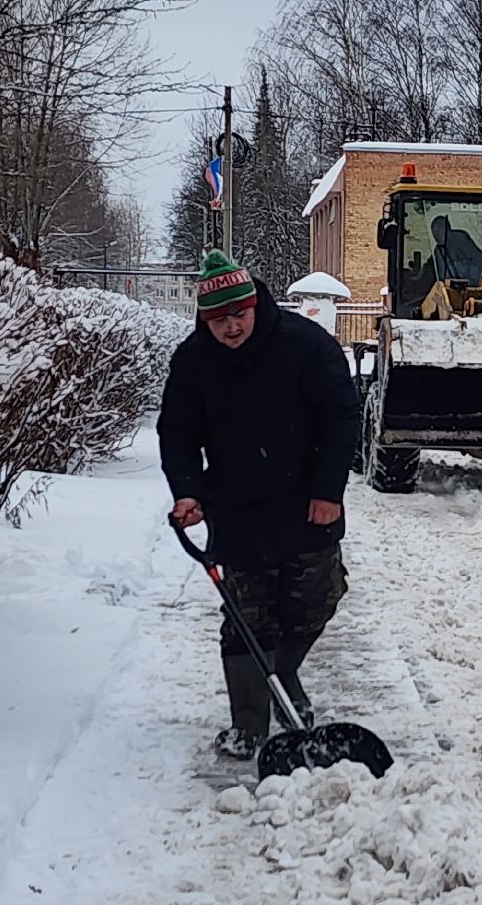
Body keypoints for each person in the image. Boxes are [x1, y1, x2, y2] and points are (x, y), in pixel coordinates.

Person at [157, 249, 361, 758]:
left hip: (306, 499)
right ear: (205, 319)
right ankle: (250, 723)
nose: (230, 328)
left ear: (254, 304)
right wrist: (186, 489)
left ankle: (282, 674)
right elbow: (178, 432)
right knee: (248, 617)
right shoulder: (193, 362)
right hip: (236, 505)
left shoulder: (305, 347)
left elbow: (340, 416)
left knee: (317, 597)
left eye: (238, 315)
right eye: (219, 319)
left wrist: (327, 490)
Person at [430, 214, 482, 283]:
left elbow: (480, 260)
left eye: (438, 231)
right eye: (434, 233)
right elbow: (441, 277)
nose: (436, 236)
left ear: (446, 228)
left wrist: (462, 268)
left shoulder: (459, 238)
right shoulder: (438, 251)